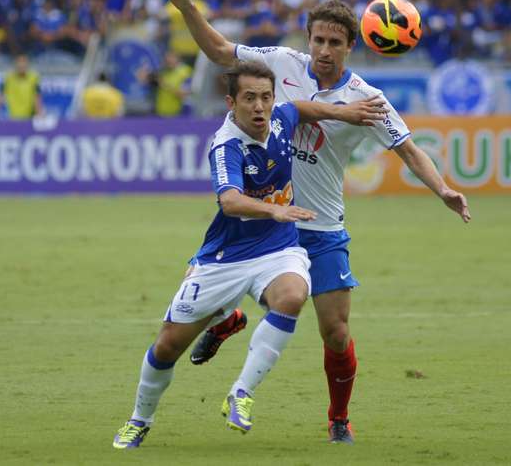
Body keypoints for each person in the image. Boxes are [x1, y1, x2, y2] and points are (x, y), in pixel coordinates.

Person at [157, 0, 471, 444]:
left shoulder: (367, 99)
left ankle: (338, 418)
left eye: (335, 43)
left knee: (336, 331)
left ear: (351, 45)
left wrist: (442, 188)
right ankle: (227, 317)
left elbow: (408, 150)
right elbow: (222, 51)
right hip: (267, 219)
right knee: (249, 298)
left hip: (321, 226)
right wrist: (186, 7)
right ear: (309, 40)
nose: (324, 50)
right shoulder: (281, 64)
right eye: (318, 40)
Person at [113, 60, 388, 449]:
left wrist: (344, 112)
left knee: (293, 296)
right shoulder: (225, 144)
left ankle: (241, 392)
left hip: (278, 248)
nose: (260, 107)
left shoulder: (280, 117)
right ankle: (140, 419)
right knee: (167, 346)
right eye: (249, 99)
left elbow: (301, 109)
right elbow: (229, 201)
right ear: (231, 103)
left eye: (265, 97)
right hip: (225, 256)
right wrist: (274, 209)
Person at [0, 54, 44, 121]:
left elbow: (37, 97)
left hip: (30, 118)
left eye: (24, 62)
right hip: (14, 118)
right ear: (15, 64)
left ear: (27, 64)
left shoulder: (34, 77)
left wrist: (40, 114)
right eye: (19, 62)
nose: (21, 65)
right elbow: (0, 98)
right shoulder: (8, 78)